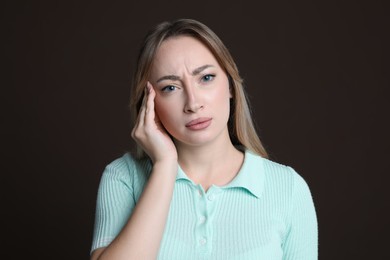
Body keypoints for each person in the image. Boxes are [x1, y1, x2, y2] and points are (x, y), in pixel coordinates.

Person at [90, 18, 318, 260]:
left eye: (206, 78)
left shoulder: (288, 188)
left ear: (230, 85)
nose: (193, 103)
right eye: (170, 87)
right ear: (150, 103)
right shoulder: (124, 178)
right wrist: (165, 165)